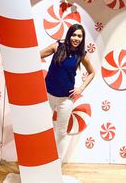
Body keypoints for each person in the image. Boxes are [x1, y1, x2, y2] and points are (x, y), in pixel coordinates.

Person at [40, 23, 95, 160]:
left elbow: (92, 72)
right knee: (43, 127)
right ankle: (43, 159)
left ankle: (56, 162)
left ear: (82, 38)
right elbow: (38, 55)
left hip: (66, 99)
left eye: (80, 36)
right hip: (48, 95)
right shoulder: (57, 46)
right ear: (69, 35)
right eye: (74, 35)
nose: (76, 38)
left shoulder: (81, 55)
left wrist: (81, 88)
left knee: (61, 132)